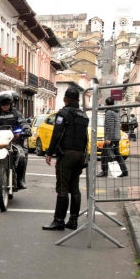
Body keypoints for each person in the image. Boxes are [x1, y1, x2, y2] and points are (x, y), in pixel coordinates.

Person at [42, 87, 89, 231]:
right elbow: (85, 136)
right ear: (78, 100)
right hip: (80, 154)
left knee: (62, 187)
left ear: (65, 99)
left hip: (67, 154)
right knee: (74, 188)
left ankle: (59, 220)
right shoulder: (84, 116)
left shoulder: (63, 113)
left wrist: (50, 152)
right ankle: (73, 220)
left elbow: (57, 134)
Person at [0, 92, 28, 190]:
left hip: (14, 142)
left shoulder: (16, 113)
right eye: (3, 104)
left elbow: (23, 122)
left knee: (21, 157)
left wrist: (26, 129)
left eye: (7, 104)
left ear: (10, 104)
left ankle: (21, 179)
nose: (5, 106)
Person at [99, 97, 128, 178]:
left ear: (107, 104)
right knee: (117, 154)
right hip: (116, 136)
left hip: (111, 137)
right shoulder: (116, 112)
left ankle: (104, 172)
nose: (104, 105)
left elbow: (110, 126)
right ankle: (124, 171)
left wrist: (108, 138)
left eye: (105, 103)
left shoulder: (109, 112)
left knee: (104, 154)